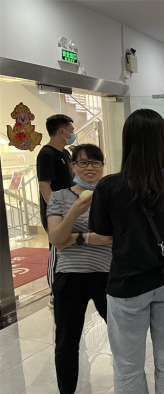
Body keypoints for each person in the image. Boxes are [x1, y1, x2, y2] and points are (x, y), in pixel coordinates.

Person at [89, 109, 164, 394]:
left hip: (127, 285)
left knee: (127, 368)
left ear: (128, 141)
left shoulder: (109, 187)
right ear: (163, 141)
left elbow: (102, 234)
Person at [47, 144, 112, 394]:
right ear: (72, 166)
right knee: (67, 340)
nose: (90, 168)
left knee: (121, 334)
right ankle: (66, 393)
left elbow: (113, 237)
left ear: (103, 166)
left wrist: (74, 237)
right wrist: (76, 211)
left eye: (96, 162)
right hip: (69, 277)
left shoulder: (111, 196)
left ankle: (127, 382)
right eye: (83, 162)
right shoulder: (59, 197)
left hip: (107, 275)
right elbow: (55, 238)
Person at [37, 114, 75, 309]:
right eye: (72, 130)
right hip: (56, 214)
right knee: (57, 251)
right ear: (62, 131)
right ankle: (55, 294)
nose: (73, 133)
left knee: (69, 250)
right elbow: (45, 185)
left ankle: (70, 289)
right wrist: (56, 212)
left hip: (69, 210)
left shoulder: (65, 154)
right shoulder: (46, 154)